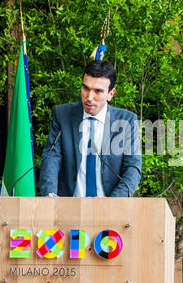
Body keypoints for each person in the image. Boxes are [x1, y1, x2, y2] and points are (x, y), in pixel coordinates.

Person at [39, 60, 142, 197]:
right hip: (68, 210)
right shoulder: (62, 115)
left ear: (111, 94)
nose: (89, 97)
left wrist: (114, 203)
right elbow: (51, 157)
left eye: (98, 91)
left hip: (111, 210)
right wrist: (50, 195)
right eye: (85, 88)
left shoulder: (127, 120)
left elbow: (132, 168)